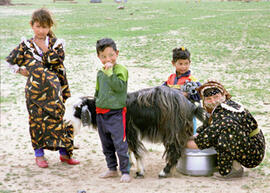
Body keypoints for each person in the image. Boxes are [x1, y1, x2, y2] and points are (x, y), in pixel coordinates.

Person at [6, 8, 79, 168]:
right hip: (34, 94)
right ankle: (39, 155)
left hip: (56, 93)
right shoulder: (26, 46)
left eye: (45, 27)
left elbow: (57, 62)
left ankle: (65, 154)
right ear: (32, 25)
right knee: (36, 122)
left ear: (50, 27)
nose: (41, 30)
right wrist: (21, 70)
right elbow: (9, 61)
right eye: (38, 26)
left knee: (61, 120)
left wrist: (45, 48)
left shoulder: (56, 44)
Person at [187, 80, 265, 179]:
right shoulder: (219, 108)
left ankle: (231, 170)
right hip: (247, 143)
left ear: (223, 95)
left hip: (253, 152)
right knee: (219, 131)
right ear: (204, 100)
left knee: (226, 129)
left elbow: (212, 132)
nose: (213, 101)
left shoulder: (226, 111)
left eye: (216, 97)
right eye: (209, 99)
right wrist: (197, 134)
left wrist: (190, 142)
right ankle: (232, 163)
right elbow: (208, 126)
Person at [95, 38, 131, 183]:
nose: (107, 59)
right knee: (106, 144)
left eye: (111, 55)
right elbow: (98, 90)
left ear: (117, 53)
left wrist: (110, 73)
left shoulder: (121, 70)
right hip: (101, 113)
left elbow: (120, 87)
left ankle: (125, 171)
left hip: (115, 113)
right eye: (103, 57)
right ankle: (111, 168)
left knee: (120, 143)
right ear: (99, 57)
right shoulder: (100, 72)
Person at [163, 46, 201, 133]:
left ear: (190, 63)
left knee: (190, 134)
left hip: (188, 114)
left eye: (186, 63)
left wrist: (188, 94)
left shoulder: (192, 80)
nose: (183, 67)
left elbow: (199, 95)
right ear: (173, 63)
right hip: (172, 114)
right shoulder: (170, 79)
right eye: (180, 64)